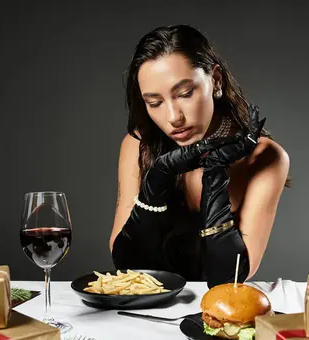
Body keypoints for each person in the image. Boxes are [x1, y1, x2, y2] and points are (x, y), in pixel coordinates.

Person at [109, 24, 290, 288]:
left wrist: (215, 170)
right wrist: (159, 176)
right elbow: (126, 264)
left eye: (185, 94)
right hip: (145, 312)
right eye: (155, 103)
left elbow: (231, 275)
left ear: (216, 81)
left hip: (217, 313)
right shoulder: (139, 145)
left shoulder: (264, 157)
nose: (173, 118)